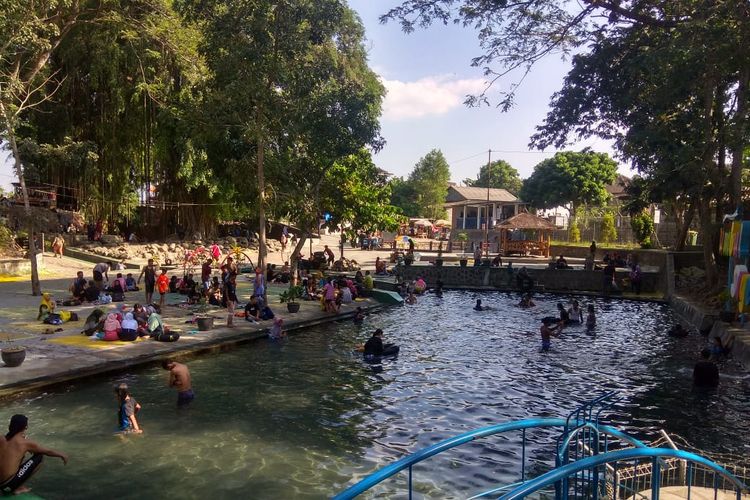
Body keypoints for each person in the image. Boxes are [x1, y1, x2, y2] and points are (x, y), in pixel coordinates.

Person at [0, 414, 68, 495]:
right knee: (39, 457)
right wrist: (62, 455)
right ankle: (16, 488)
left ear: (10, 425)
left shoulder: (1, 438)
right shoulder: (25, 443)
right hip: (7, 486)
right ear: (25, 427)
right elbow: (48, 451)